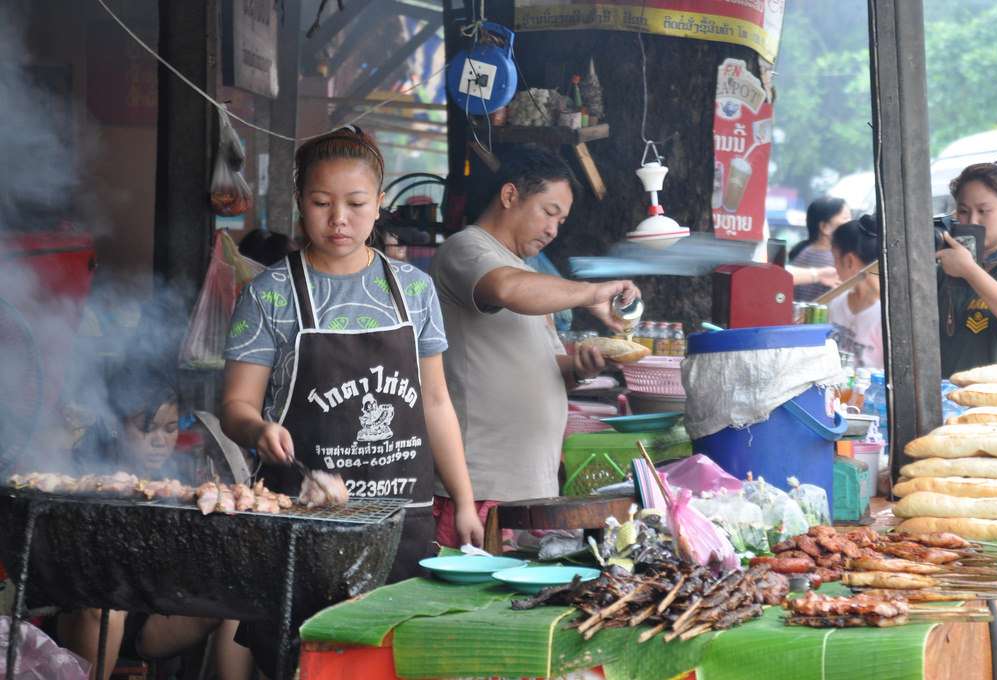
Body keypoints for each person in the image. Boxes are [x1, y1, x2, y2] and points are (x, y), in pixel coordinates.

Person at [220, 126, 483, 677]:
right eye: (321, 203)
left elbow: (435, 402)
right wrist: (257, 430)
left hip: (400, 525)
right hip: (303, 525)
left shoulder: (413, 287)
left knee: (394, 662)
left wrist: (461, 500)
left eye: (355, 203)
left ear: (379, 203)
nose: (338, 218)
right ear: (299, 202)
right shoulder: (268, 293)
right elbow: (237, 406)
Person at [429, 144, 641, 544]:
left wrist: (579, 368)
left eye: (561, 220)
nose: (553, 230)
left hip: (531, 486)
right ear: (510, 196)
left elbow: (545, 363)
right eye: (548, 212)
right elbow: (507, 289)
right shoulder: (466, 249)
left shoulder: (529, 275)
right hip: (479, 488)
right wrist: (592, 293)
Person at [59, 367, 252, 680]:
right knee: (107, 607)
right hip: (91, 612)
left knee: (237, 601)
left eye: (170, 428)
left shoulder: (175, 481)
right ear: (115, 426)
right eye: (147, 428)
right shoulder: (87, 477)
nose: (161, 441)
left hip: (152, 616)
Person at [937, 157, 997, 377]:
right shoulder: (946, 267)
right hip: (949, 399)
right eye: (964, 211)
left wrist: (970, 271)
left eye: (984, 211)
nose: (972, 220)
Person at [828, 214, 883, 370]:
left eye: (835, 258)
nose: (834, 267)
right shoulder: (836, 303)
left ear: (849, 261)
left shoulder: (885, 315)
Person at [790, 196, 851, 301]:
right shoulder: (832, 259)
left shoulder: (804, 252)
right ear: (825, 227)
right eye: (845, 218)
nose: (851, 223)